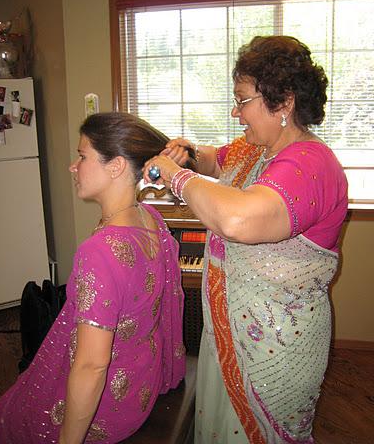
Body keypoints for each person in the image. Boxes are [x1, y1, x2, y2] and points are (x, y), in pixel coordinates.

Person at [143, 36, 348, 443]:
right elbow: (216, 158)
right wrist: (186, 152)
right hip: (229, 331)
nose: (237, 113)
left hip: (274, 349)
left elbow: (237, 220)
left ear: (284, 101)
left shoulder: (312, 164)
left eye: (243, 100)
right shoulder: (259, 148)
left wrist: (175, 176)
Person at [0, 112, 187, 443]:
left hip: (108, 408)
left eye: (82, 156)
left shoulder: (99, 252)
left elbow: (91, 367)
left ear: (116, 166)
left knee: (8, 417)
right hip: (141, 383)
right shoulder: (151, 217)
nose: (73, 166)